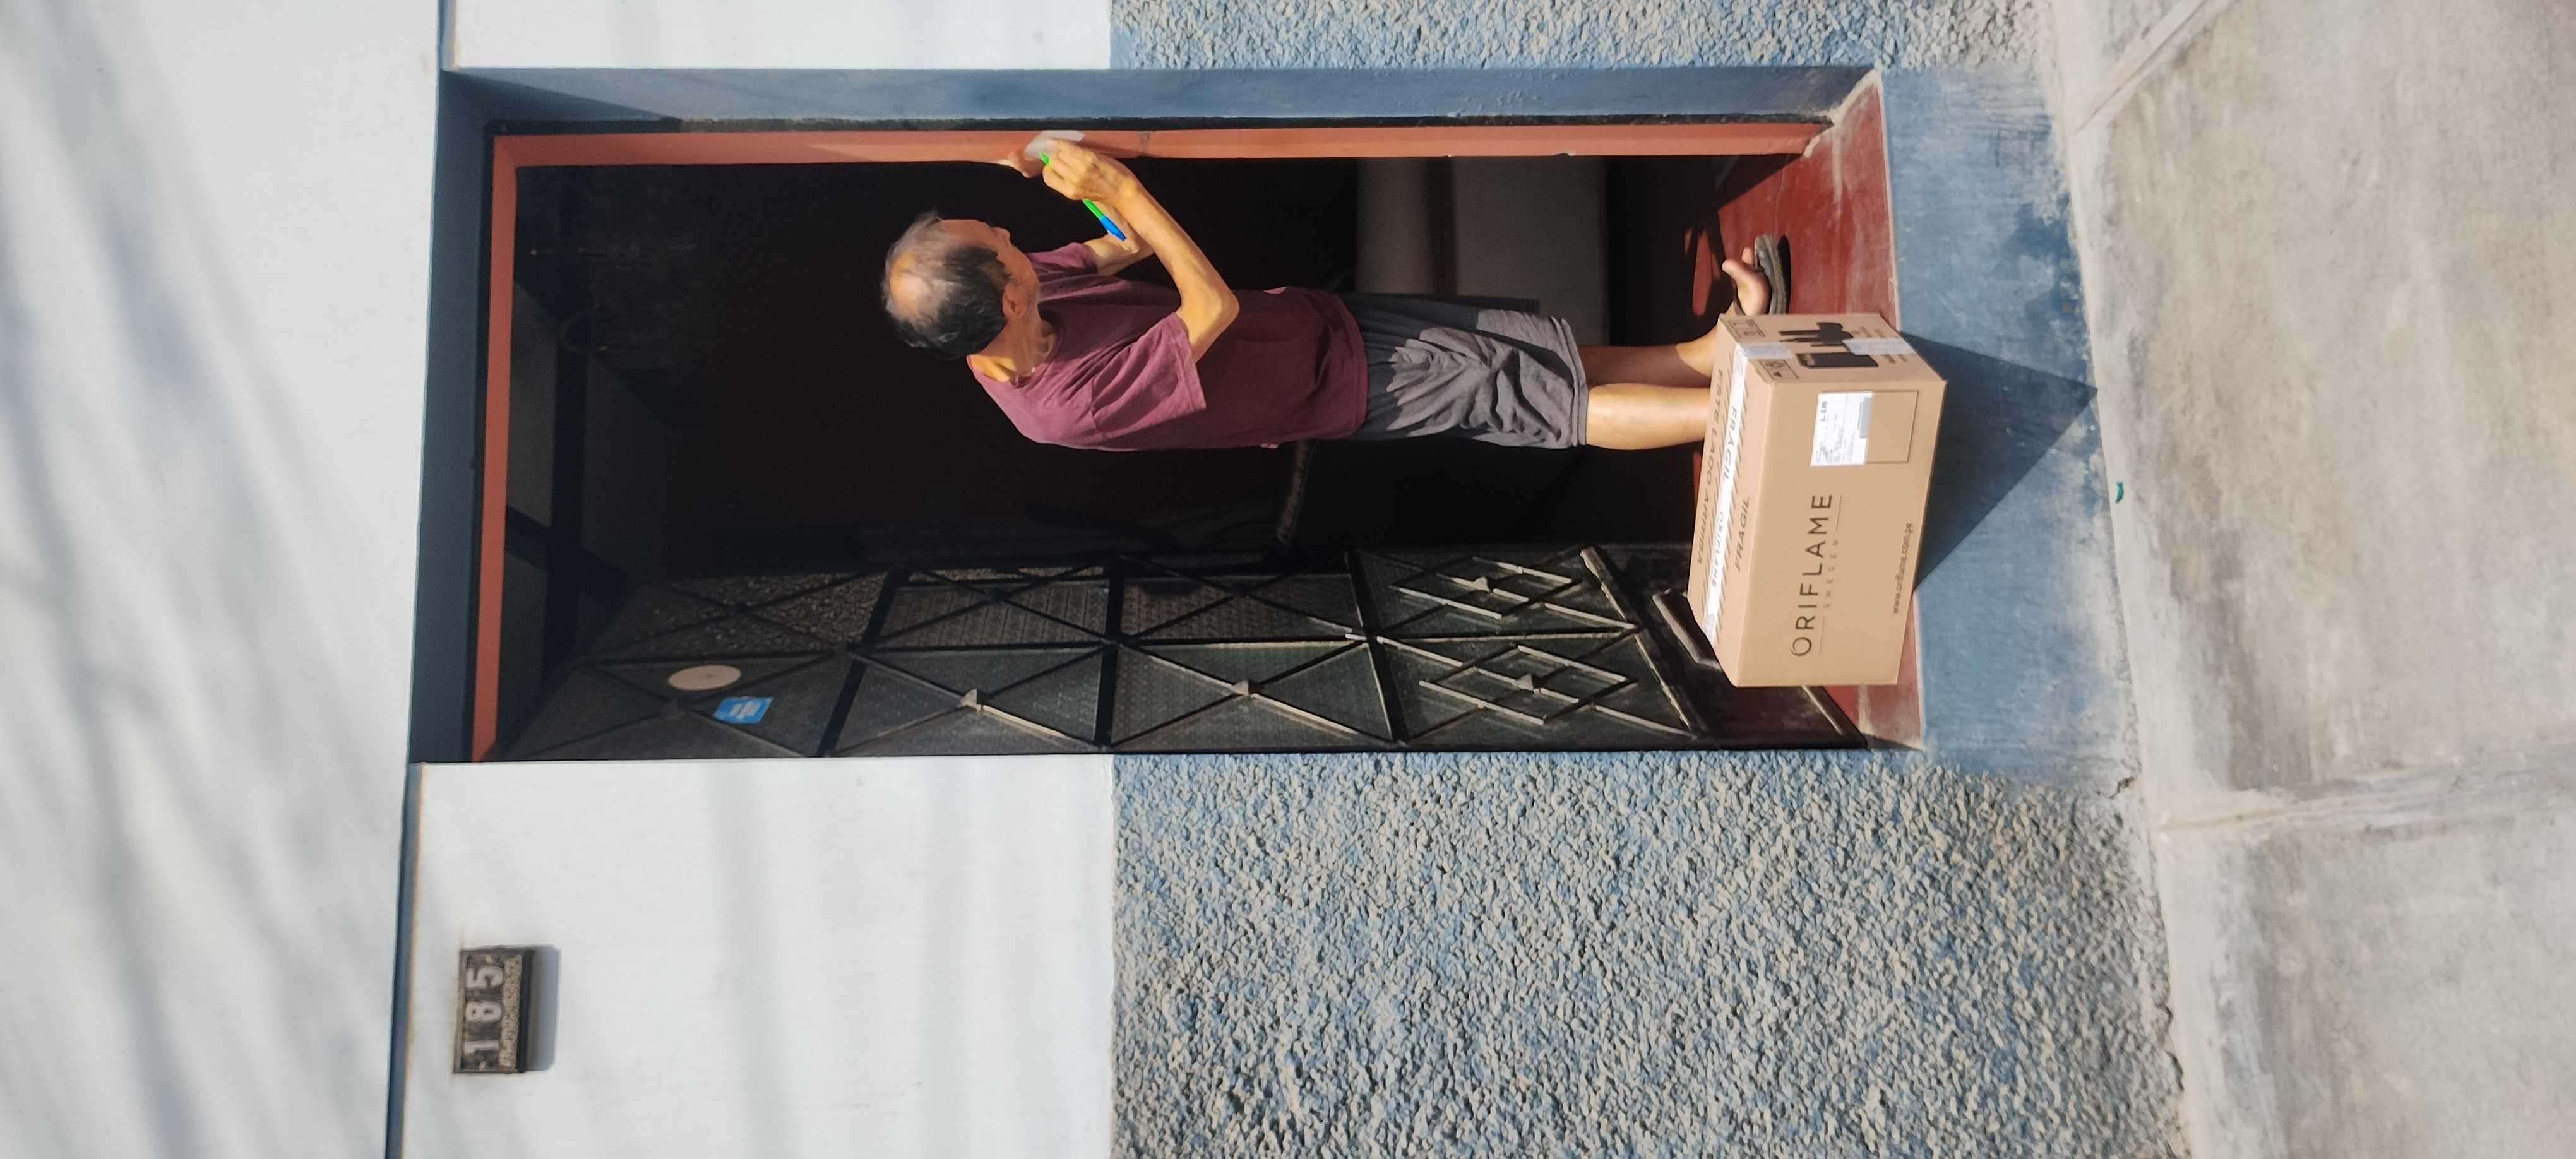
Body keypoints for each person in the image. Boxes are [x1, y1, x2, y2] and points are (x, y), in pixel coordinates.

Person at [880, 141, 1771, 455]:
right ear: (1005, 300)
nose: (1012, 234)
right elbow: (1208, 312)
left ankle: (1710, 355)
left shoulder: (1025, 297)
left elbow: (1128, 244)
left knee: (1532, 354)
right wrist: (1123, 184)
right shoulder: (1061, 404)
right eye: (1000, 243)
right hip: (1337, 385)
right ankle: (1756, 418)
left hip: (1315, 321)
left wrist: (1072, 172)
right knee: (1533, 398)